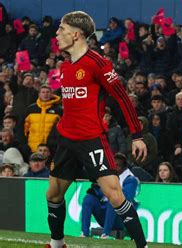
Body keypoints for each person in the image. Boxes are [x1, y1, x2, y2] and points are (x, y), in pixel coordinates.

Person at [46, 11, 147, 248]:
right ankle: (57, 243)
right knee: (53, 195)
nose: (57, 33)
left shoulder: (98, 64)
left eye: (61, 28)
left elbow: (122, 98)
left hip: (92, 140)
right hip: (66, 141)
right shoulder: (66, 66)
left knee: (114, 195)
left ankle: (143, 246)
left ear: (76, 34)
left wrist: (137, 135)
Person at [81, 153, 140, 239]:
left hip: (121, 219)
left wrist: (106, 191)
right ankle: (84, 233)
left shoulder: (130, 179)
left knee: (114, 200)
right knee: (88, 199)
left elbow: (125, 199)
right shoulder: (107, 175)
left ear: (124, 167)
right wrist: (96, 189)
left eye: (118, 165)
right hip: (105, 215)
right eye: (113, 164)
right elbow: (97, 192)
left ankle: (105, 234)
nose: (114, 167)